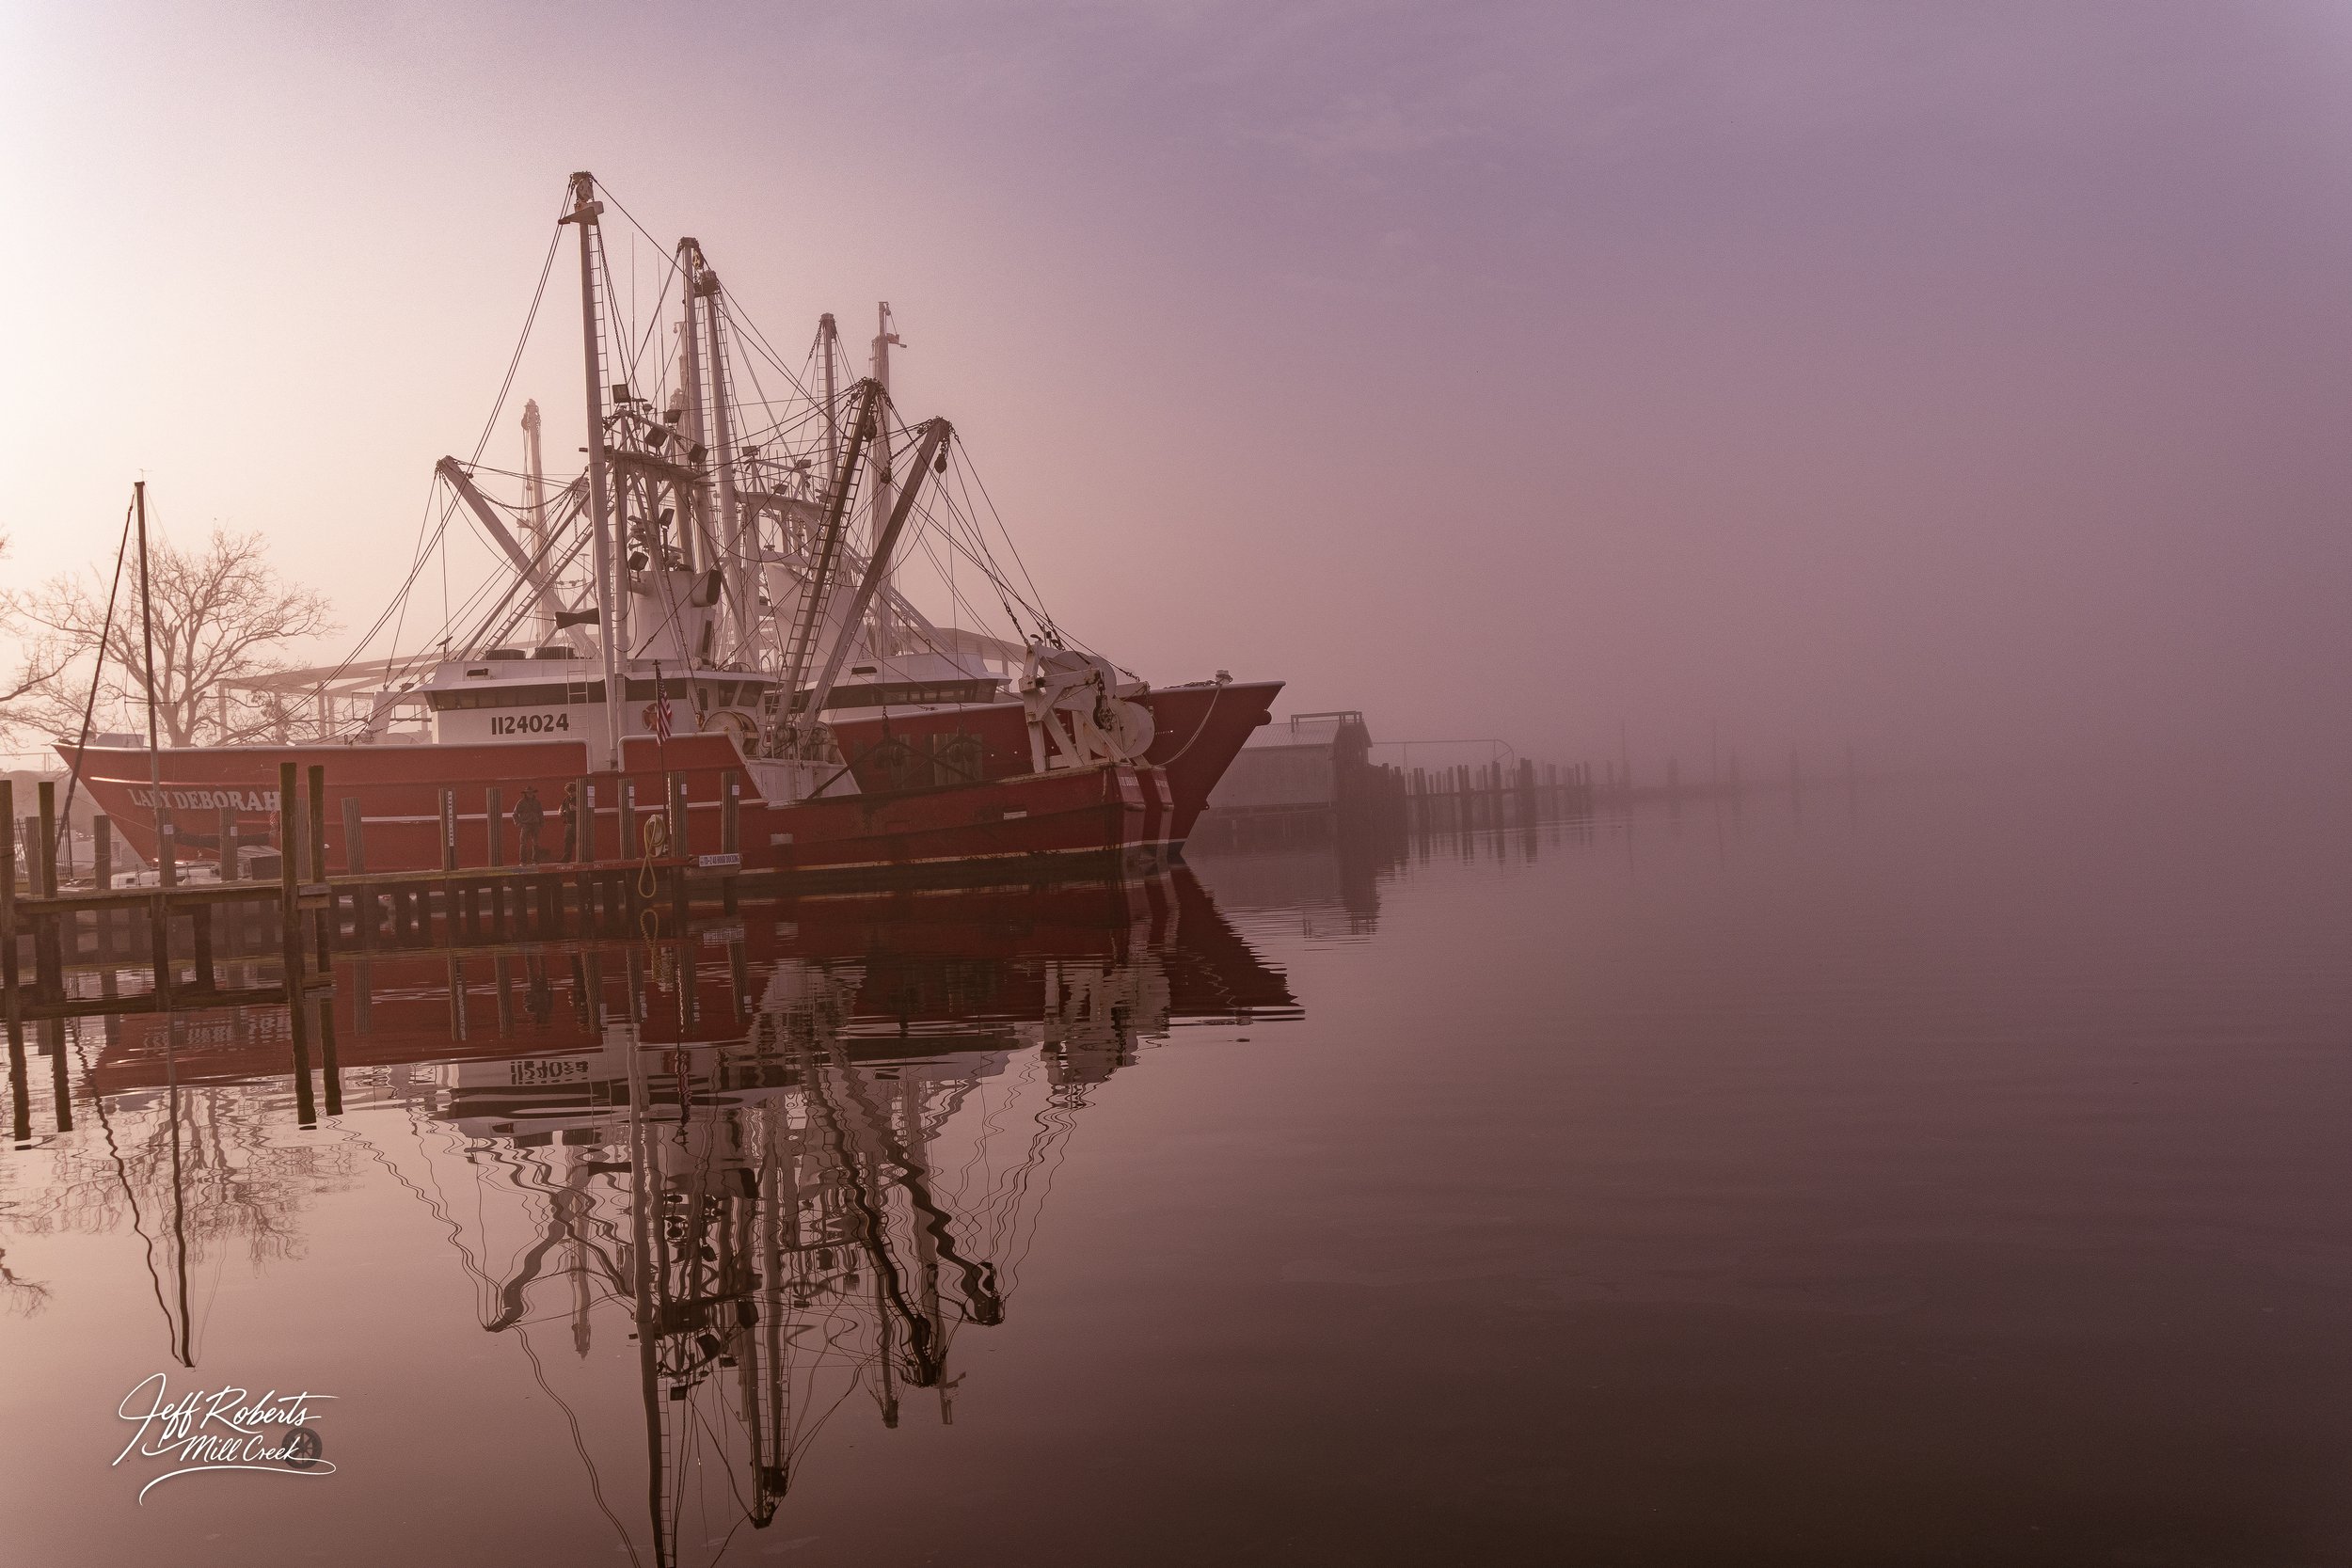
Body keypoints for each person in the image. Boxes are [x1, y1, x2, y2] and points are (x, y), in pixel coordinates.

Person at [514, 785, 546, 865]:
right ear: (526, 794)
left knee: (536, 843)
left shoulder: (537, 802)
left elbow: (540, 813)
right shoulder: (521, 802)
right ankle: (523, 861)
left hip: (535, 824)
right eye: (528, 793)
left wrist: (541, 823)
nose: (530, 794)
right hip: (525, 825)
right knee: (523, 843)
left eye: (531, 792)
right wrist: (518, 823)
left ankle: (535, 861)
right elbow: (515, 814)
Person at [557, 783, 580, 863]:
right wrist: (560, 811)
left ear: (576, 791)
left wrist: (576, 808)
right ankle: (566, 859)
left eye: (572, 791)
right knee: (567, 841)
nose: (570, 793)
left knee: (579, 841)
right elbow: (561, 806)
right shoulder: (566, 798)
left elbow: (585, 809)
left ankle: (580, 858)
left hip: (578, 824)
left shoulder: (580, 798)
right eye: (569, 792)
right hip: (568, 823)